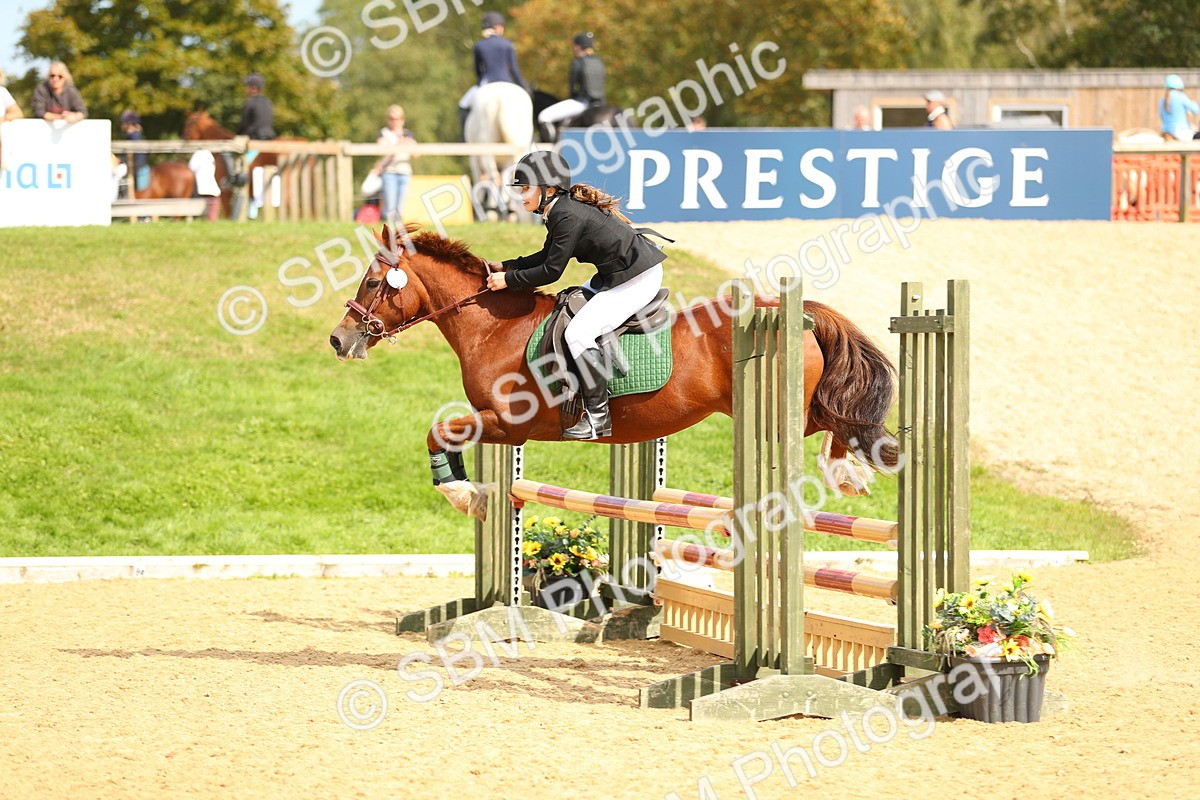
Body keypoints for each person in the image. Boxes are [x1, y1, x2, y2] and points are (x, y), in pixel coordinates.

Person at [485, 151, 667, 441]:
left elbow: (551, 271)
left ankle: (597, 417)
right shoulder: (559, 209)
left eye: (525, 189)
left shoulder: (566, 214)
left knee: (579, 333)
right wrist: (509, 265)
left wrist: (508, 280)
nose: (521, 196)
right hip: (617, 273)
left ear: (548, 189)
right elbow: (546, 255)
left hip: (636, 278)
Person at [458, 12, 528, 134]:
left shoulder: (479, 46)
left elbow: (478, 70)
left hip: (487, 82)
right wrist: (523, 87)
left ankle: (466, 139)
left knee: (463, 105)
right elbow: (514, 69)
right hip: (507, 81)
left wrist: (480, 83)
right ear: (498, 28)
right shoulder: (508, 44)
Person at [537, 32, 605, 141]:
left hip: (583, 103)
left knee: (544, 116)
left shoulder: (577, 62)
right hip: (601, 103)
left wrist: (573, 96)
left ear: (578, 47)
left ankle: (554, 145)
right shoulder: (600, 62)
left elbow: (573, 88)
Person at [368, 105, 418, 223]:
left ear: (402, 119)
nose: (395, 121)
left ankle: (397, 236)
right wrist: (399, 144)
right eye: (392, 118)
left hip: (404, 172)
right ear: (388, 119)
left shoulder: (408, 134)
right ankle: (387, 235)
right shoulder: (383, 133)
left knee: (400, 210)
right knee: (389, 209)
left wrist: (410, 144)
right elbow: (381, 151)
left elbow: (417, 155)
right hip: (389, 172)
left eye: (398, 118)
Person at [1159, 74, 1199, 142]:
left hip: (1166, 131)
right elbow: (1196, 110)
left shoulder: (1162, 100)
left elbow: (1163, 117)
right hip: (1181, 133)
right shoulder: (1181, 96)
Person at [119, 111, 151, 194]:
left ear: (129, 124)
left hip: (136, 164)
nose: (122, 125)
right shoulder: (135, 135)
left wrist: (120, 160)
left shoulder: (133, 136)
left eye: (123, 123)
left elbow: (131, 154)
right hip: (137, 163)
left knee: (119, 172)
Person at [188, 149, 222, 221]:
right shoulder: (209, 154)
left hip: (199, 184)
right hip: (208, 185)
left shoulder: (198, 154)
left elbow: (191, 168)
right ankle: (212, 220)